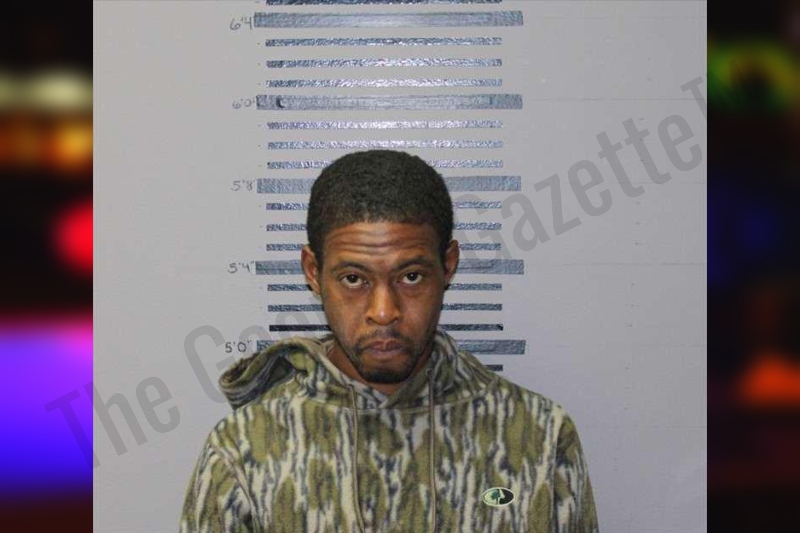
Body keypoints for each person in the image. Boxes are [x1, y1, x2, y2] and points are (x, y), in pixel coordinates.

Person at [180, 150, 599, 532]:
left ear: (448, 266)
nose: (383, 311)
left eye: (410, 276)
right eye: (353, 279)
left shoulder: (539, 437)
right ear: (313, 272)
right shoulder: (244, 449)